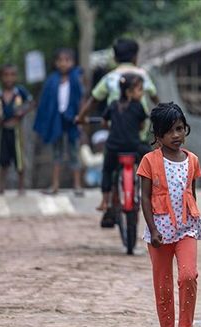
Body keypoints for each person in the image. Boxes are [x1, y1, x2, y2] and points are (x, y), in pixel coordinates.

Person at [138, 102, 201, 327]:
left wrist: (194, 219)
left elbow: (192, 193)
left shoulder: (193, 161)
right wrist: (152, 230)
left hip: (187, 230)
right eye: (169, 131)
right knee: (163, 285)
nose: (176, 135)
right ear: (157, 136)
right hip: (159, 235)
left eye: (180, 129)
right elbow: (144, 198)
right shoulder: (149, 162)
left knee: (188, 276)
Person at [76, 38, 159, 143]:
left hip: (116, 132)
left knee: (109, 155)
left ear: (115, 58)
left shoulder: (109, 78)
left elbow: (93, 100)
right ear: (135, 57)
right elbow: (154, 97)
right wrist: (162, 112)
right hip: (139, 132)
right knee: (144, 153)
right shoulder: (142, 75)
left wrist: (81, 117)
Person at [33, 48, 84, 196]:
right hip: (56, 119)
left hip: (72, 119)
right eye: (60, 60)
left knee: (74, 151)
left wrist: (81, 117)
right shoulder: (51, 81)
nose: (64, 63)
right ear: (56, 63)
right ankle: (55, 185)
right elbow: (45, 103)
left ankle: (77, 185)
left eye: (67, 60)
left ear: (72, 62)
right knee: (57, 153)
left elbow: (81, 99)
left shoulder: (76, 78)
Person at [97, 73, 151, 211]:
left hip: (114, 147)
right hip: (134, 146)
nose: (142, 93)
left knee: (107, 170)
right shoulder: (138, 106)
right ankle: (154, 192)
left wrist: (111, 126)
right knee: (152, 161)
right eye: (139, 90)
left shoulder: (113, 105)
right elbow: (142, 125)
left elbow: (104, 122)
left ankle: (105, 201)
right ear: (129, 92)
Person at [0, 64, 34, 195]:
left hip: (17, 130)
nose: (9, 78)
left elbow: (31, 103)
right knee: (3, 160)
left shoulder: (20, 92)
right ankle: (1, 187)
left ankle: (21, 187)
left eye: (12, 75)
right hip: (3, 129)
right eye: (6, 75)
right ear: (1, 77)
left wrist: (22, 112)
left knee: (19, 159)